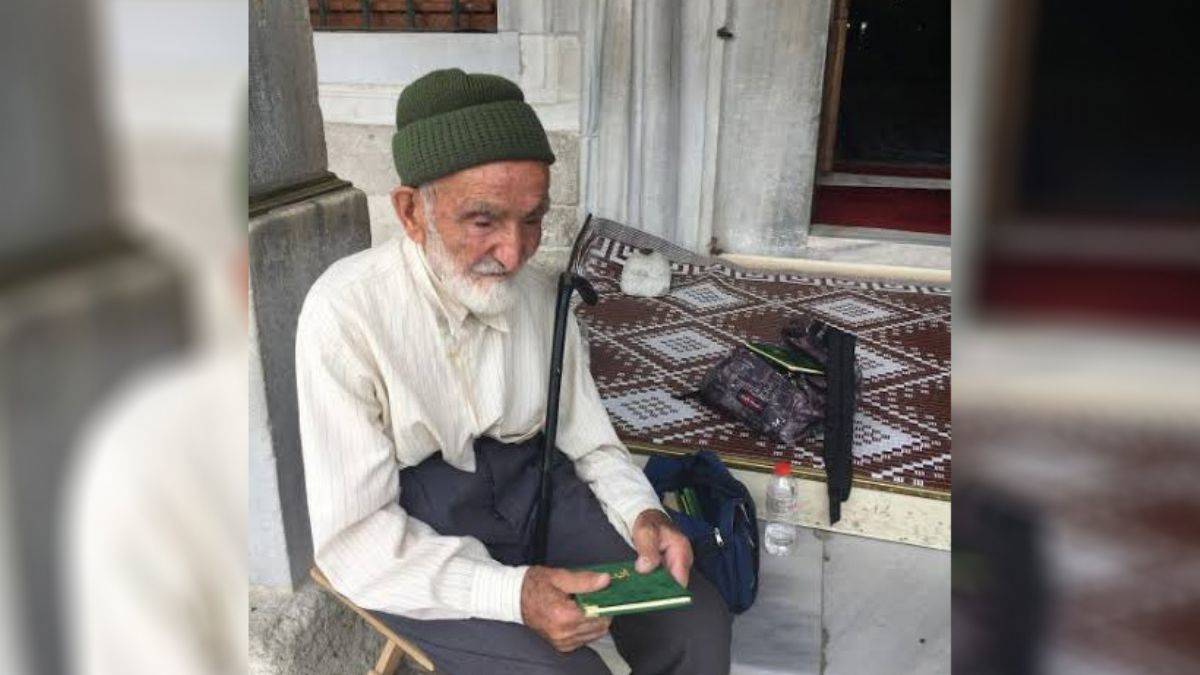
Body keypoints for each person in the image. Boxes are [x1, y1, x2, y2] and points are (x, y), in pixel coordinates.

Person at [295, 68, 731, 674]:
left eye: (532, 219)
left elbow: (590, 439)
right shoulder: (345, 312)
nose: (515, 251)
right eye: (483, 221)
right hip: (416, 523)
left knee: (694, 622)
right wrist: (513, 594)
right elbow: (357, 541)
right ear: (411, 212)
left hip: (539, 490)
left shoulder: (541, 293)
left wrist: (644, 513)